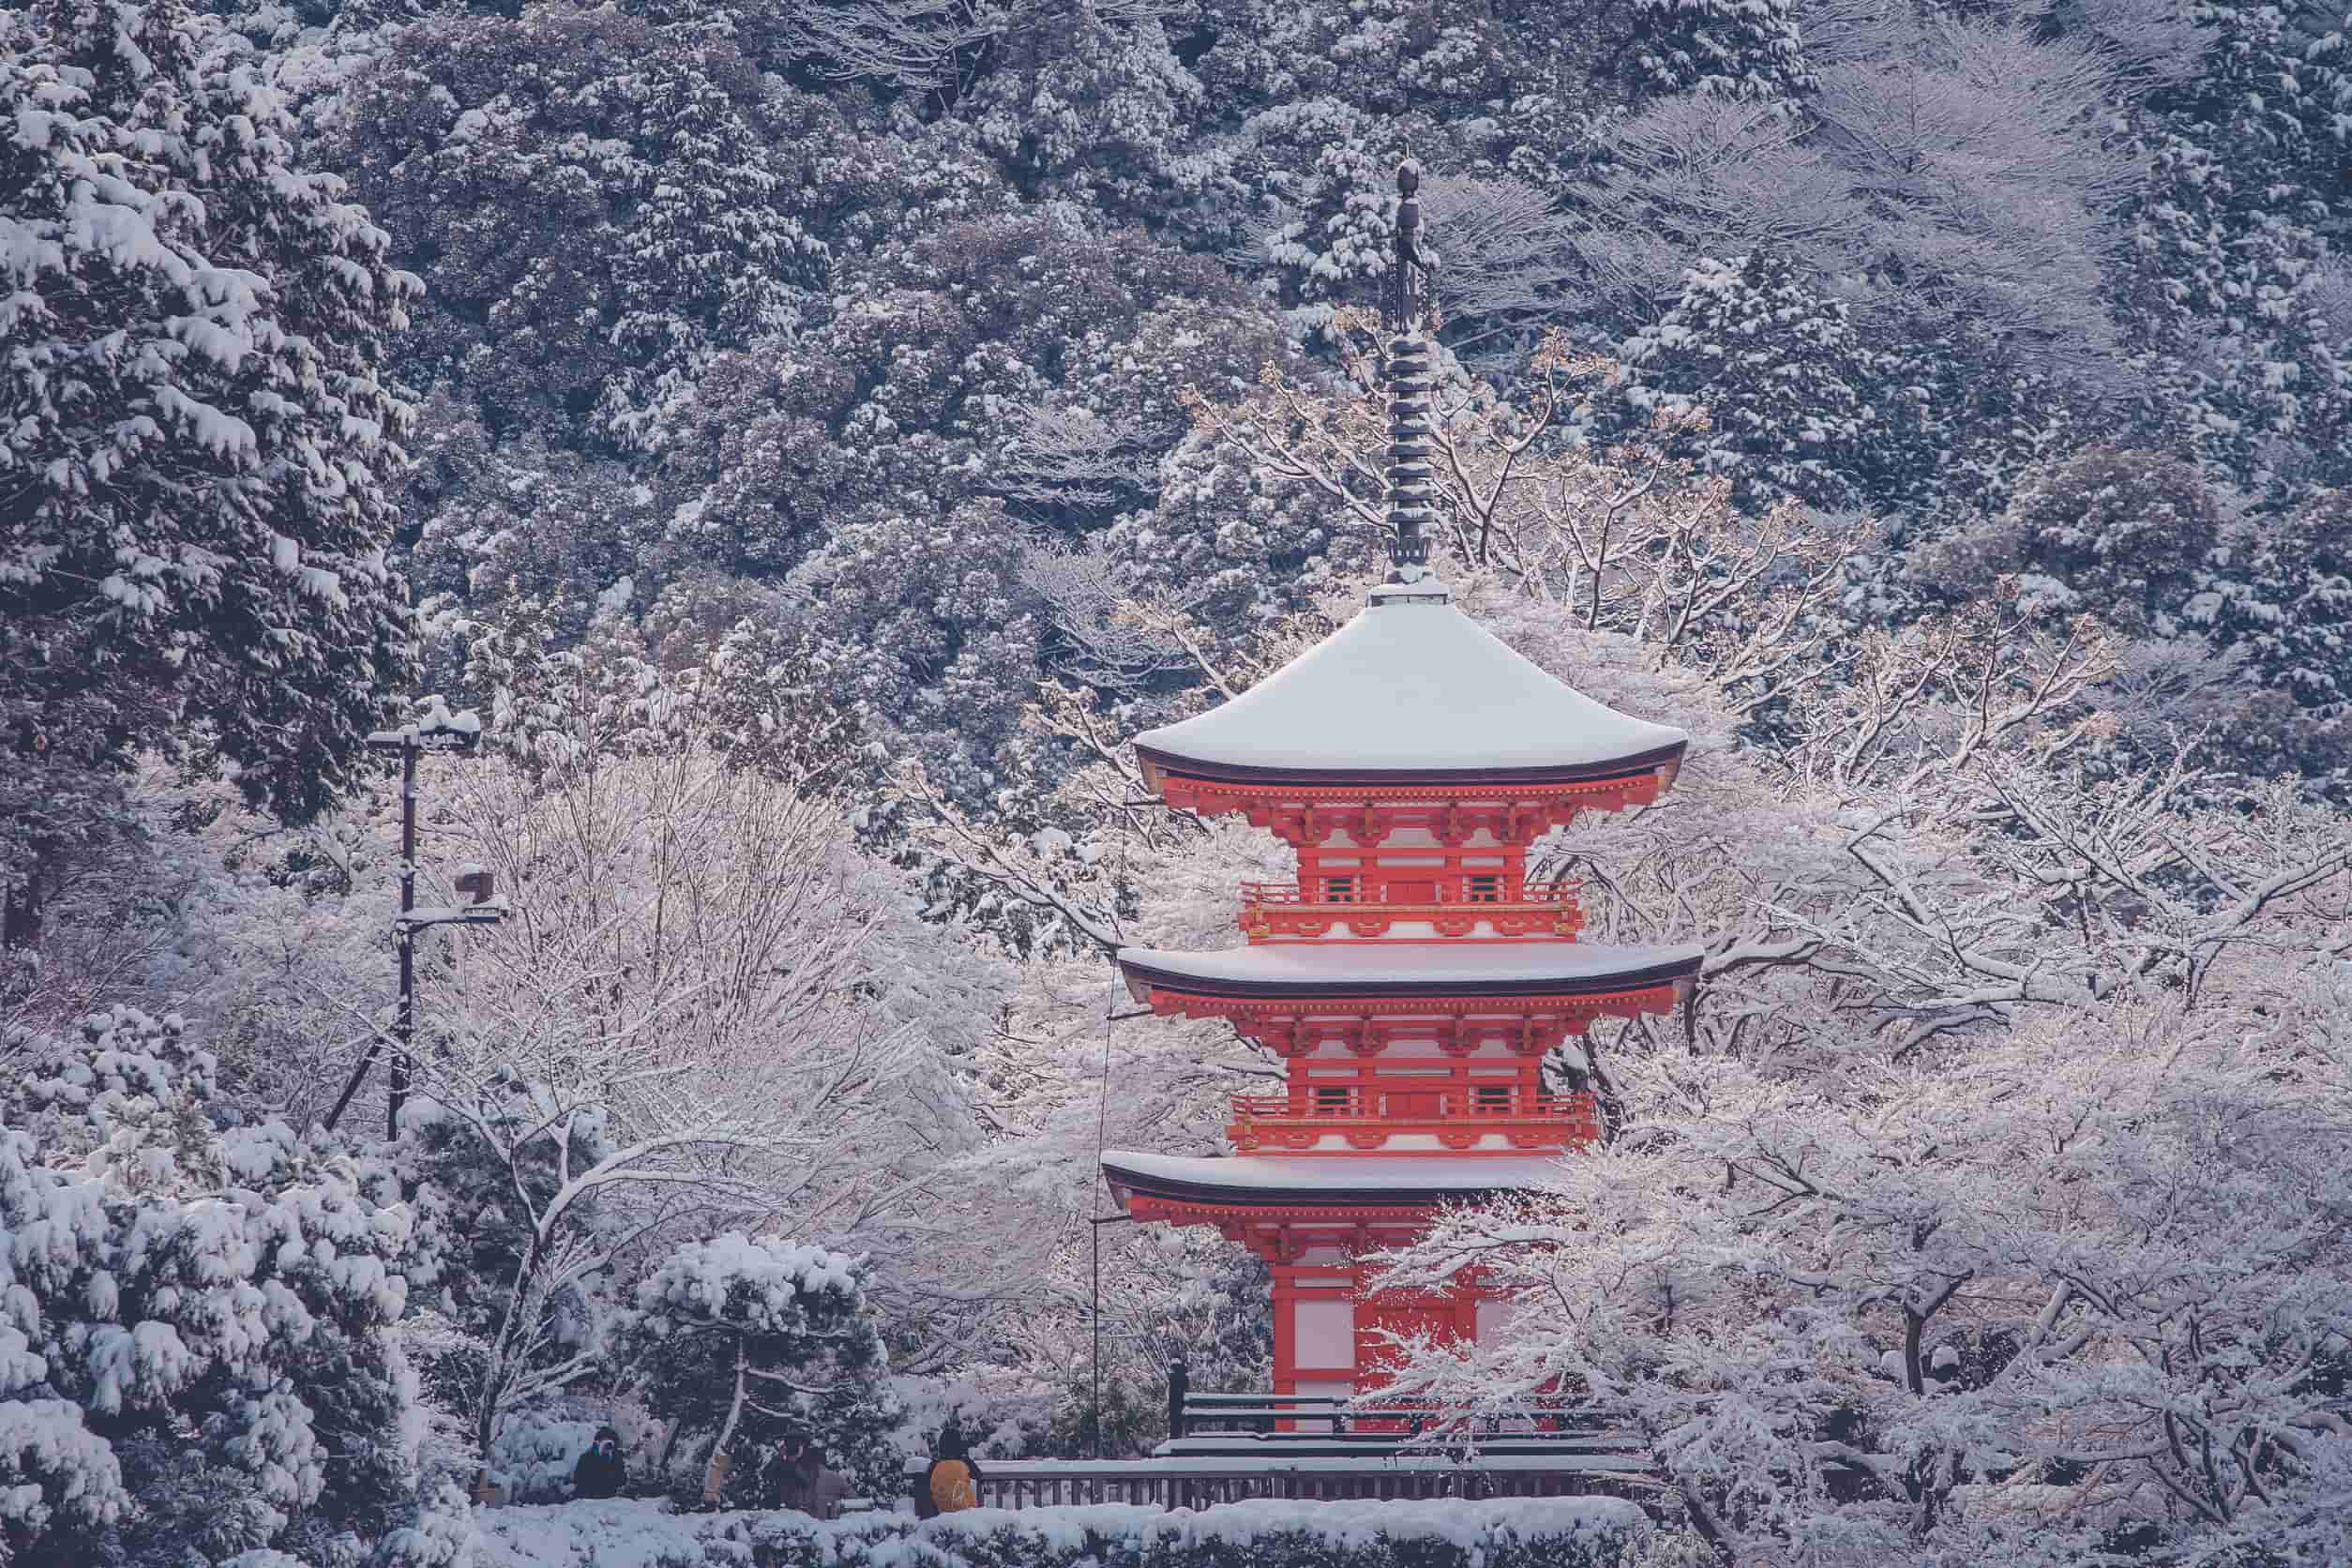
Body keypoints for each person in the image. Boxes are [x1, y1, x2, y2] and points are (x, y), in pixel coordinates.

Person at [918, 1416, 982, 1517]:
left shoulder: (935, 1464)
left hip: (940, 1512)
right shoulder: (965, 1461)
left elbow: (927, 1484)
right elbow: (979, 1475)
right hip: (965, 1511)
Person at [769, 1431, 821, 1514]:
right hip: (781, 1511)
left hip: (803, 1511)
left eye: (797, 1444)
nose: (793, 1447)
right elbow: (768, 1475)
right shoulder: (780, 1463)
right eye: (790, 1443)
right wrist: (780, 1456)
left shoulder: (810, 1462)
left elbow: (808, 1482)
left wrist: (794, 1463)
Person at [572, 1426, 626, 1500]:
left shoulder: (617, 1458)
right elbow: (579, 1481)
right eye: (604, 1442)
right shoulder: (586, 1458)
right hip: (589, 1500)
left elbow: (621, 1480)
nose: (607, 1447)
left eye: (610, 1444)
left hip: (611, 1500)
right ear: (597, 1443)